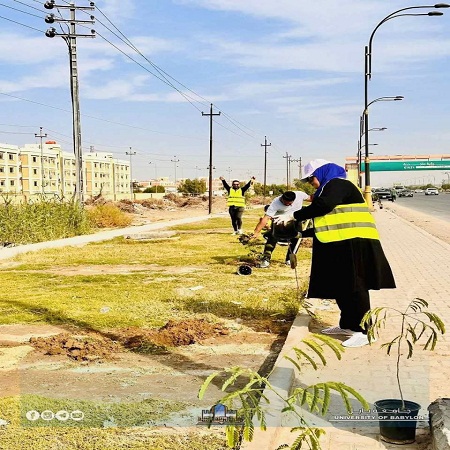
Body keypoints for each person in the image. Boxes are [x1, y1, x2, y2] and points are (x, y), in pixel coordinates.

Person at [289, 159, 396, 348]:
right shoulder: (328, 189)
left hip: (357, 243)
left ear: (322, 172)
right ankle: (347, 325)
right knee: (342, 286)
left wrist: (294, 215)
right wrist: (299, 232)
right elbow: (329, 222)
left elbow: (324, 206)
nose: (311, 183)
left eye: (311, 179)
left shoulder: (338, 184)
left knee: (357, 286)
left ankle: (365, 331)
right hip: (341, 244)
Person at [250, 190, 311, 268]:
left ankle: (289, 259)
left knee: (296, 238)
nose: (288, 205)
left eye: (290, 203)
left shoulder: (300, 195)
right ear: (282, 199)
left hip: (295, 220)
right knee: (272, 238)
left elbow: (311, 198)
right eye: (286, 203)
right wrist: (256, 232)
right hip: (279, 221)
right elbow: (266, 218)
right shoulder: (275, 203)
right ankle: (266, 259)